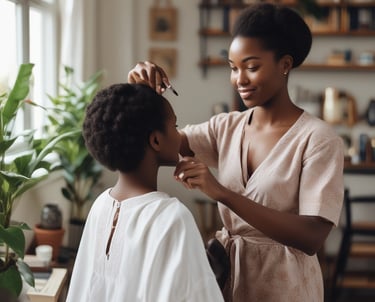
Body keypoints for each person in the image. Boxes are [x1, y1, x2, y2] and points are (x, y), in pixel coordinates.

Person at [128, 3, 344, 302]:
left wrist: (223, 193)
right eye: (233, 68)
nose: (239, 79)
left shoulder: (318, 139)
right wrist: (144, 92)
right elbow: (162, 141)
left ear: (285, 64)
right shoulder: (227, 127)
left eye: (252, 67)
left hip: (288, 288)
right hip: (227, 281)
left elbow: (312, 237)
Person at [66, 83, 224, 302]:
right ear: (156, 140)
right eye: (175, 126)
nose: (179, 135)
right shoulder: (172, 217)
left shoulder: (100, 204)